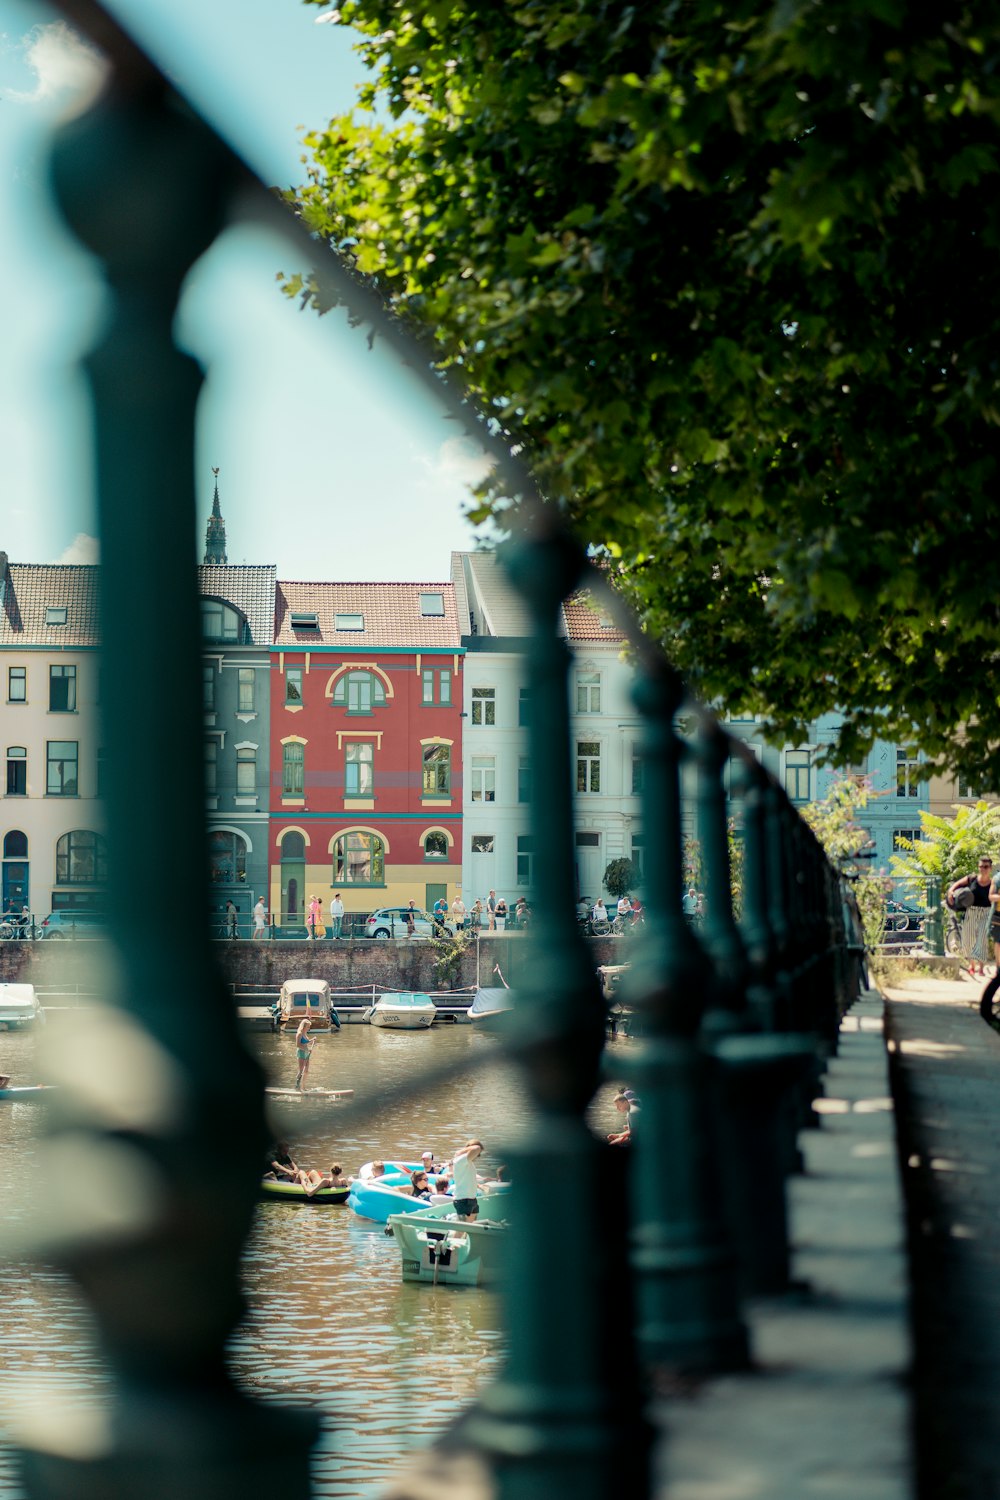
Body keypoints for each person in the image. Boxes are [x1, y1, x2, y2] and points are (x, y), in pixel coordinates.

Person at [949, 858, 995, 977]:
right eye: (981, 866)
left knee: (982, 940)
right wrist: (951, 891)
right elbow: (957, 884)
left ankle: (981, 968)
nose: (983, 869)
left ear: (990, 868)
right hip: (971, 911)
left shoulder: (992, 882)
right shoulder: (972, 878)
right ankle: (972, 965)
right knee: (968, 939)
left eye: (986, 867)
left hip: (986, 912)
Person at [450, 1139, 484, 1221]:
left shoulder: (468, 1162)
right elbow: (477, 1148)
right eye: (477, 1154)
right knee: (461, 1230)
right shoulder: (461, 1160)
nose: (477, 1156)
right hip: (463, 1200)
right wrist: (461, 1151)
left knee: (470, 1228)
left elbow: (467, 1178)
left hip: (471, 1199)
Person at [294, 1018, 314, 1091]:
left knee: (306, 1071)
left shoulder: (305, 1033)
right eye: (308, 1027)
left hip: (306, 1053)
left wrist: (311, 1040)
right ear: (304, 1026)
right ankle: (297, 1086)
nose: (309, 1028)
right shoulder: (299, 1034)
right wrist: (307, 1049)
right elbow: (298, 1045)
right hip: (301, 1053)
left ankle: (303, 1087)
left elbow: (305, 1042)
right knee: (301, 1070)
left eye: (309, 1027)